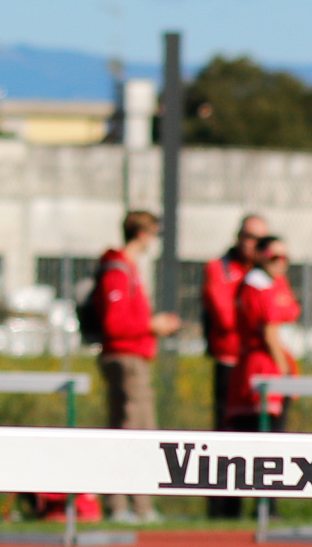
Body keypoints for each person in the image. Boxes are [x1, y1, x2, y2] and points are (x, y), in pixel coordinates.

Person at [88, 209, 183, 523]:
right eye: (154, 233)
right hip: (126, 358)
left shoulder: (127, 268)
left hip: (133, 356)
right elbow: (115, 323)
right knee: (134, 433)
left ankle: (134, 504)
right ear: (143, 233)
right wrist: (151, 325)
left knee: (134, 431)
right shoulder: (118, 270)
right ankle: (126, 505)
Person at [198, 213, 275, 517]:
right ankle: (224, 509)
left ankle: (264, 505)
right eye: (250, 237)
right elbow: (227, 316)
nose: (255, 244)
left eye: (261, 239)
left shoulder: (268, 270)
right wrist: (259, 316)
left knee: (263, 437)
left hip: (260, 365)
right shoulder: (219, 268)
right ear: (238, 237)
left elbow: (286, 308)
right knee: (226, 436)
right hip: (230, 361)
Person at [232, 231, 303, 434]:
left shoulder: (276, 281)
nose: (280, 262)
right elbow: (269, 331)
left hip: (275, 359)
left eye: (285, 258)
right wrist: (283, 369)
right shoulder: (257, 285)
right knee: (266, 433)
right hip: (265, 364)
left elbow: (291, 309)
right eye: (274, 256)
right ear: (259, 256)